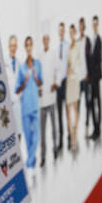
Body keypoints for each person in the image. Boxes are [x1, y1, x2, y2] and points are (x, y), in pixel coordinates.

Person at [15, 36, 42, 169]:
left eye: (31, 45)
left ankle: (29, 162)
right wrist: (25, 81)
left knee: (36, 136)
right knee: (28, 138)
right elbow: (17, 89)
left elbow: (40, 82)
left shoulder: (38, 64)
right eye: (27, 45)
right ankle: (32, 162)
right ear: (25, 48)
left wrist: (35, 76)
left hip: (35, 105)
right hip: (25, 107)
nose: (29, 47)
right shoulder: (21, 68)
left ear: (33, 46)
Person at [39, 32, 61, 165]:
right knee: (42, 130)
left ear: (49, 40)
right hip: (42, 99)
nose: (46, 41)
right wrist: (38, 89)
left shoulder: (53, 54)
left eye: (48, 39)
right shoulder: (40, 56)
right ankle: (43, 156)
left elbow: (59, 70)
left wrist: (56, 83)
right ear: (42, 41)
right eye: (44, 39)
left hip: (51, 97)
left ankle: (55, 149)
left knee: (54, 127)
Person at [64, 23, 85, 151]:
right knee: (68, 110)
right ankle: (71, 135)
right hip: (68, 81)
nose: (71, 34)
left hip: (75, 80)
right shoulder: (68, 48)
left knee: (75, 109)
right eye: (69, 32)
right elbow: (66, 64)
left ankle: (74, 138)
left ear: (75, 33)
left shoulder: (77, 47)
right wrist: (67, 72)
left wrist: (73, 70)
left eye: (73, 32)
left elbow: (80, 63)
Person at [86, 15, 102, 141]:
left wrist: (93, 76)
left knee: (97, 102)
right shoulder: (92, 40)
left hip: (96, 77)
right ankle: (95, 129)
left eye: (96, 24)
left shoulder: (99, 40)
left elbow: (98, 59)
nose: (95, 26)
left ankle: (98, 130)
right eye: (93, 24)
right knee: (92, 103)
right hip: (92, 78)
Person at [78, 16, 92, 138]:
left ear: (84, 27)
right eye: (80, 26)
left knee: (87, 104)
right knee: (77, 104)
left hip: (86, 78)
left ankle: (87, 127)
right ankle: (77, 130)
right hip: (78, 79)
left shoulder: (87, 41)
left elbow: (90, 60)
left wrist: (89, 75)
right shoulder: (77, 42)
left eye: (82, 26)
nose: (81, 28)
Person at [55, 22, 67, 154]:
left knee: (68, 114)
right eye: (59, 31)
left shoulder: (68, 46)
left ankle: (70, 139)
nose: (61, 33)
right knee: (59, 115)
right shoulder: (56, 48)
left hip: (67, 83)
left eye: (62, 30)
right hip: (59, 85)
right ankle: (61, 143)